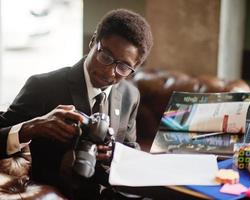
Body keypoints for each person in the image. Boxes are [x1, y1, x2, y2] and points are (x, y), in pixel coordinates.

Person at [0, 8, 153, 199]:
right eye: (105, 56)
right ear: (93, 41)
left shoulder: (131, 95)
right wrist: (31, 127)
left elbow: (130, 148)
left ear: (134, 69)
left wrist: (115, 152)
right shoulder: (43, 86)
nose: (109, 72)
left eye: (123, 67)